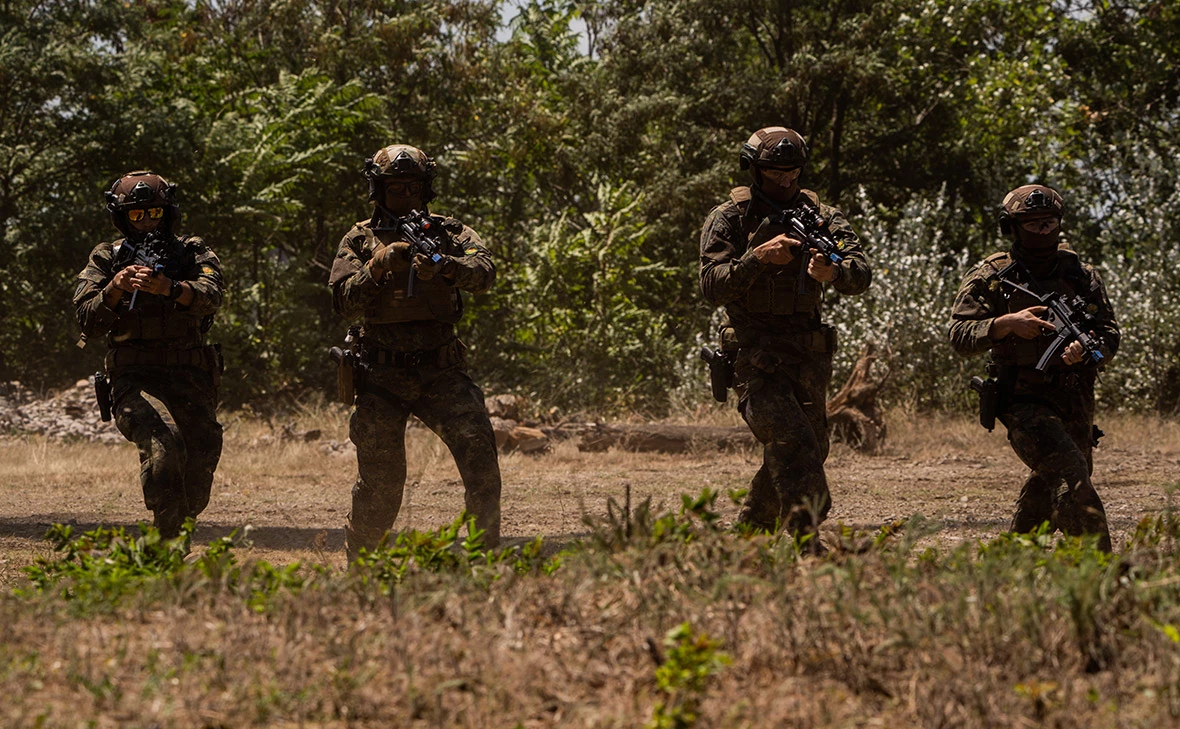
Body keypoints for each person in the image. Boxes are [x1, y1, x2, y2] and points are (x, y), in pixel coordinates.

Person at [699, 127, 872, 544]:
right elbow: (711, 286)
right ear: (754, 170)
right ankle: (806, 546)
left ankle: (747, 539)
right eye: (775, 172)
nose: (786, 180)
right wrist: (756, 259)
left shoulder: (823, 216)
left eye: (793, 172)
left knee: (808, 447)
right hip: (754, 354)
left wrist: (833, 273)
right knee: (793, 442)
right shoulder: (730, 218)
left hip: (808, 354)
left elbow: (860, 273)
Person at [329, 144, 501, 559]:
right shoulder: (359, 238)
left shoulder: (450, 232)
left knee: (482, 467)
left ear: (426, 189)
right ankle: (363, 569)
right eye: (395, 188)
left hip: (441, 371)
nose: (405, 196)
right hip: (380, 375)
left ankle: (482, 561)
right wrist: (379, 265)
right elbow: (342, 302)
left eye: (413, 187)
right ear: (379, 190)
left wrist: (446, 267)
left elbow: (485, 274)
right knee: (381, 486)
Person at [949, 184, 1118, 551]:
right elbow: (959, 334)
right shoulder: (992, 276)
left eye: (1049, 223)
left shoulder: (1080, 274)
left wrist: (1085, 350)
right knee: (1072, 479)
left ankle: (1006, 565)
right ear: (1012, 227)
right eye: (1033, 224)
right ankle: (1102, 574)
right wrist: (1005, 324)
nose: (1043, 231)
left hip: (1074, 398)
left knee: (1050, 485)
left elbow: (1109, 333)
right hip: (1021, 398)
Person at [74, 171, 225, 538]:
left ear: (168, 212)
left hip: (190, 377)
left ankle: (176, 537)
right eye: (136, 215)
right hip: (134, 379)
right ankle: (165, 549)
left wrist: (171, 288)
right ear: (122, 217)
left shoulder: (191, 251)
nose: (146, 222)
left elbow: (212, 296)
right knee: (164, 445)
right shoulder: (107, 256)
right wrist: (114, 288)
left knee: (199, 463)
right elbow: (86, 320)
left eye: (153, 213)